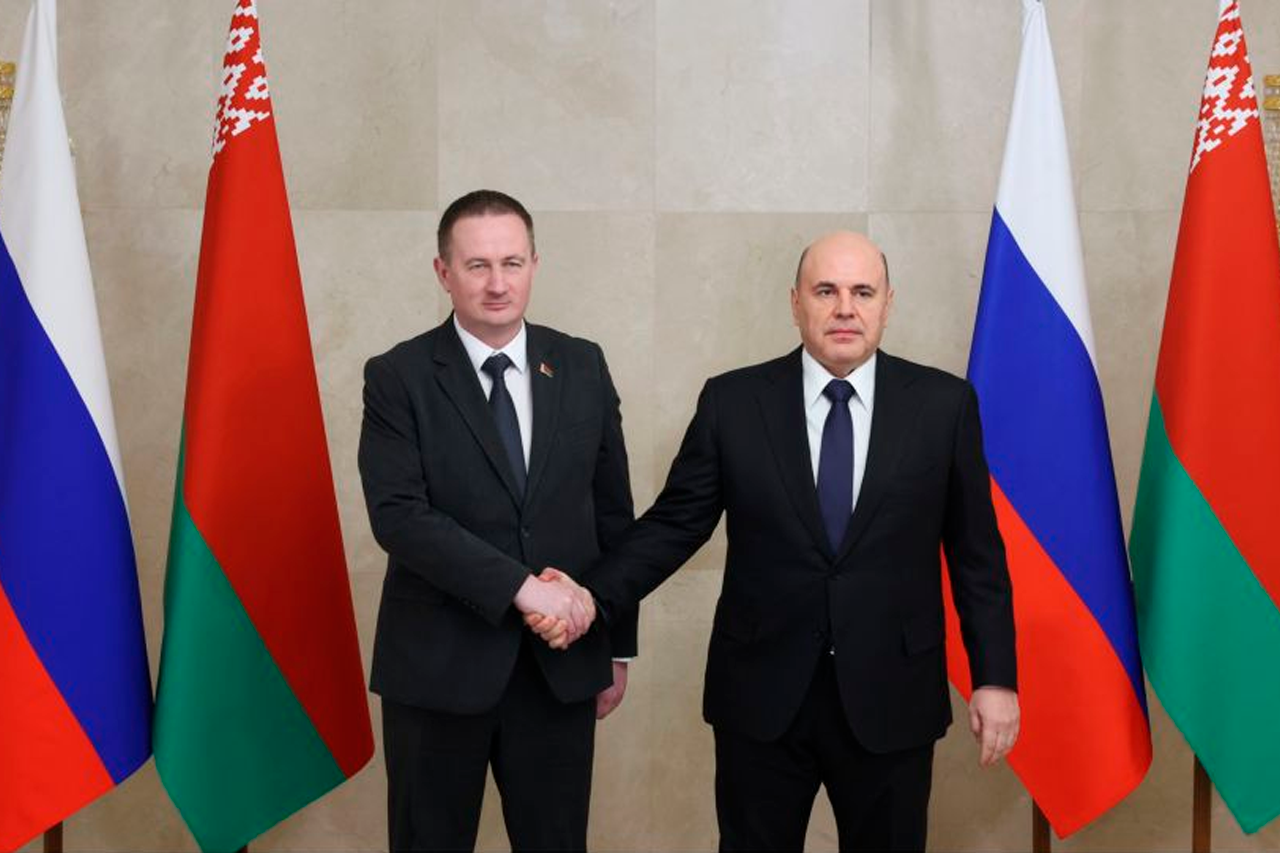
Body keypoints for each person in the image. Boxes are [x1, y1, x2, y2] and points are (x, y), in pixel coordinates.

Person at [530, 230, 1019, 851]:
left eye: (863, 292)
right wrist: (590, 596)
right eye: (826, 291)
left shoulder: (944, 405)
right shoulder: (733, 401)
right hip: (761, 698)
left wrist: (995, 678)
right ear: (795, 303)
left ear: (887, 304)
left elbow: (978, 557)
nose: (845, 309)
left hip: (893, 695)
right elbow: (675, 524)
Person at [359, 189, 634, 852]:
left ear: (535, 264)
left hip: (560, 666)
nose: (497, 283)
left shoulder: (583, 364)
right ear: (443, 272)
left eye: (512, 262)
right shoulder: (398, 375)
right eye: (477, 265)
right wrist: (524, 588)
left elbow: (612, 511)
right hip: (437, 669)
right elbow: (399, 516)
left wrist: (616, 643)